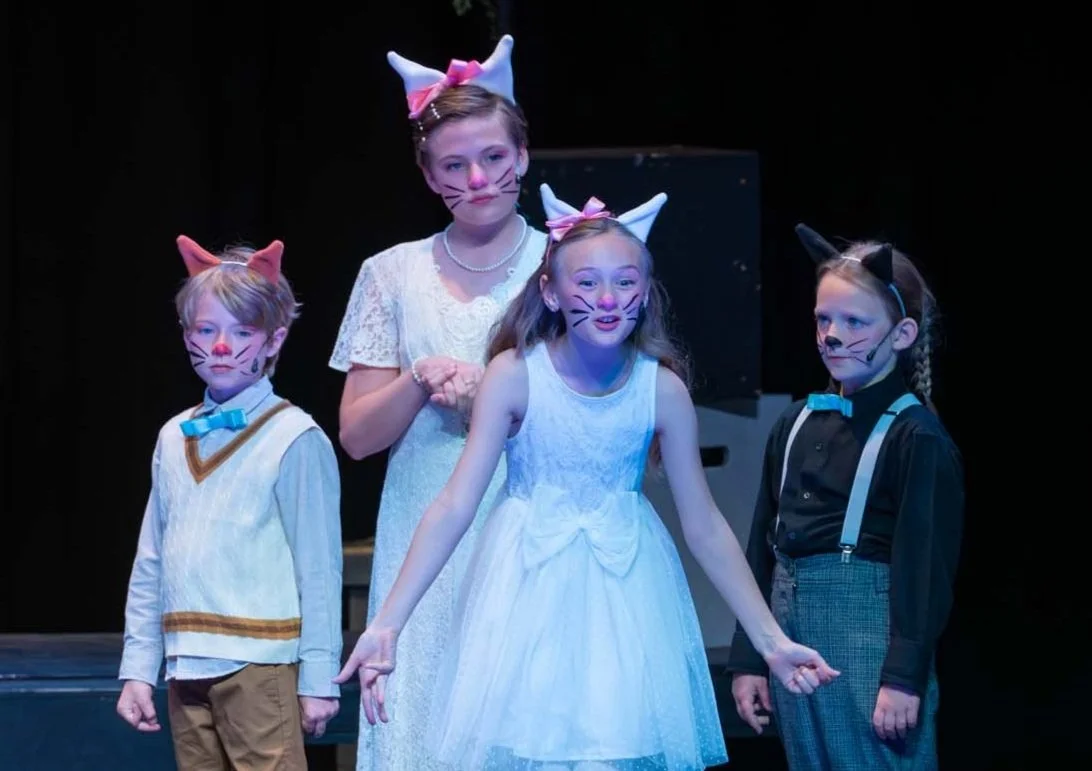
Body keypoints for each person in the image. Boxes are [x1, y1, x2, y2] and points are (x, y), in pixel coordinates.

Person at [335, 186, 840, 771]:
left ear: (645, 292)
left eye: (625, 282)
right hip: (525, 591)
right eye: (587, 282)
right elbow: (455, 504)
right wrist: (388, 623)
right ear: (551, 291)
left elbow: (704, 525)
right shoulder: (515, 375)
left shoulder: (661, 390)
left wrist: (771, 641)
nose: (606, 299)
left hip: (623, 594)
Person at [328, 33, 547, 771]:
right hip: (421, 522)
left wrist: (496, 395)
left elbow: (609, 416)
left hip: (527, 520)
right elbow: (357, 436)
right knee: (423, 723)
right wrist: (419, 377)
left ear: (521, 156)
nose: (477, 178)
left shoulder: (562, 263)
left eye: (492, 157)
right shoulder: (391, 273)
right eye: (454, 165)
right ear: (428, 174)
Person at [727, 223, 964, 770]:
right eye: (823, 319)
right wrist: (751, 655)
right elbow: (761, 546)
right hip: (792, 645)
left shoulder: (915, 437)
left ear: (901, 334)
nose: (832, 335)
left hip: (867, 647)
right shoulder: (795, 422)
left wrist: (903, 677)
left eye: (855, 322)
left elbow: (924, 570)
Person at [116, 236, 343, 769]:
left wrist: (318, 677)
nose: (221, 346)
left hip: (258, 661)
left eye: (242, 332)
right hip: (185, 662)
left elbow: (319, 566)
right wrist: (138, 667)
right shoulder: (174, 435)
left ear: (274, 339)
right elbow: (152, 559)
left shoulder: (293, 436)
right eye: (206, 330)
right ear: (186, 335)